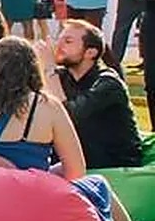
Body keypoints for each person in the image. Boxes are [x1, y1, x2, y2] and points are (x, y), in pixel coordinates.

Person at [0, 37, 152, 221]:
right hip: (27, 204)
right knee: (96, 184)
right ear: (33, 68)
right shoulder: (46, 106)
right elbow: (76, 171)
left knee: (57, 171)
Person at [43, 19, 145, 170]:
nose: (59, 46)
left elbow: (68, 116)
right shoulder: (62, 77)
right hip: (80, 159)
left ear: (90, 53)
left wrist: (49, 69)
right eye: (59, 40)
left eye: (68, 41)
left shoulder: (108, 83)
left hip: (113, 163)